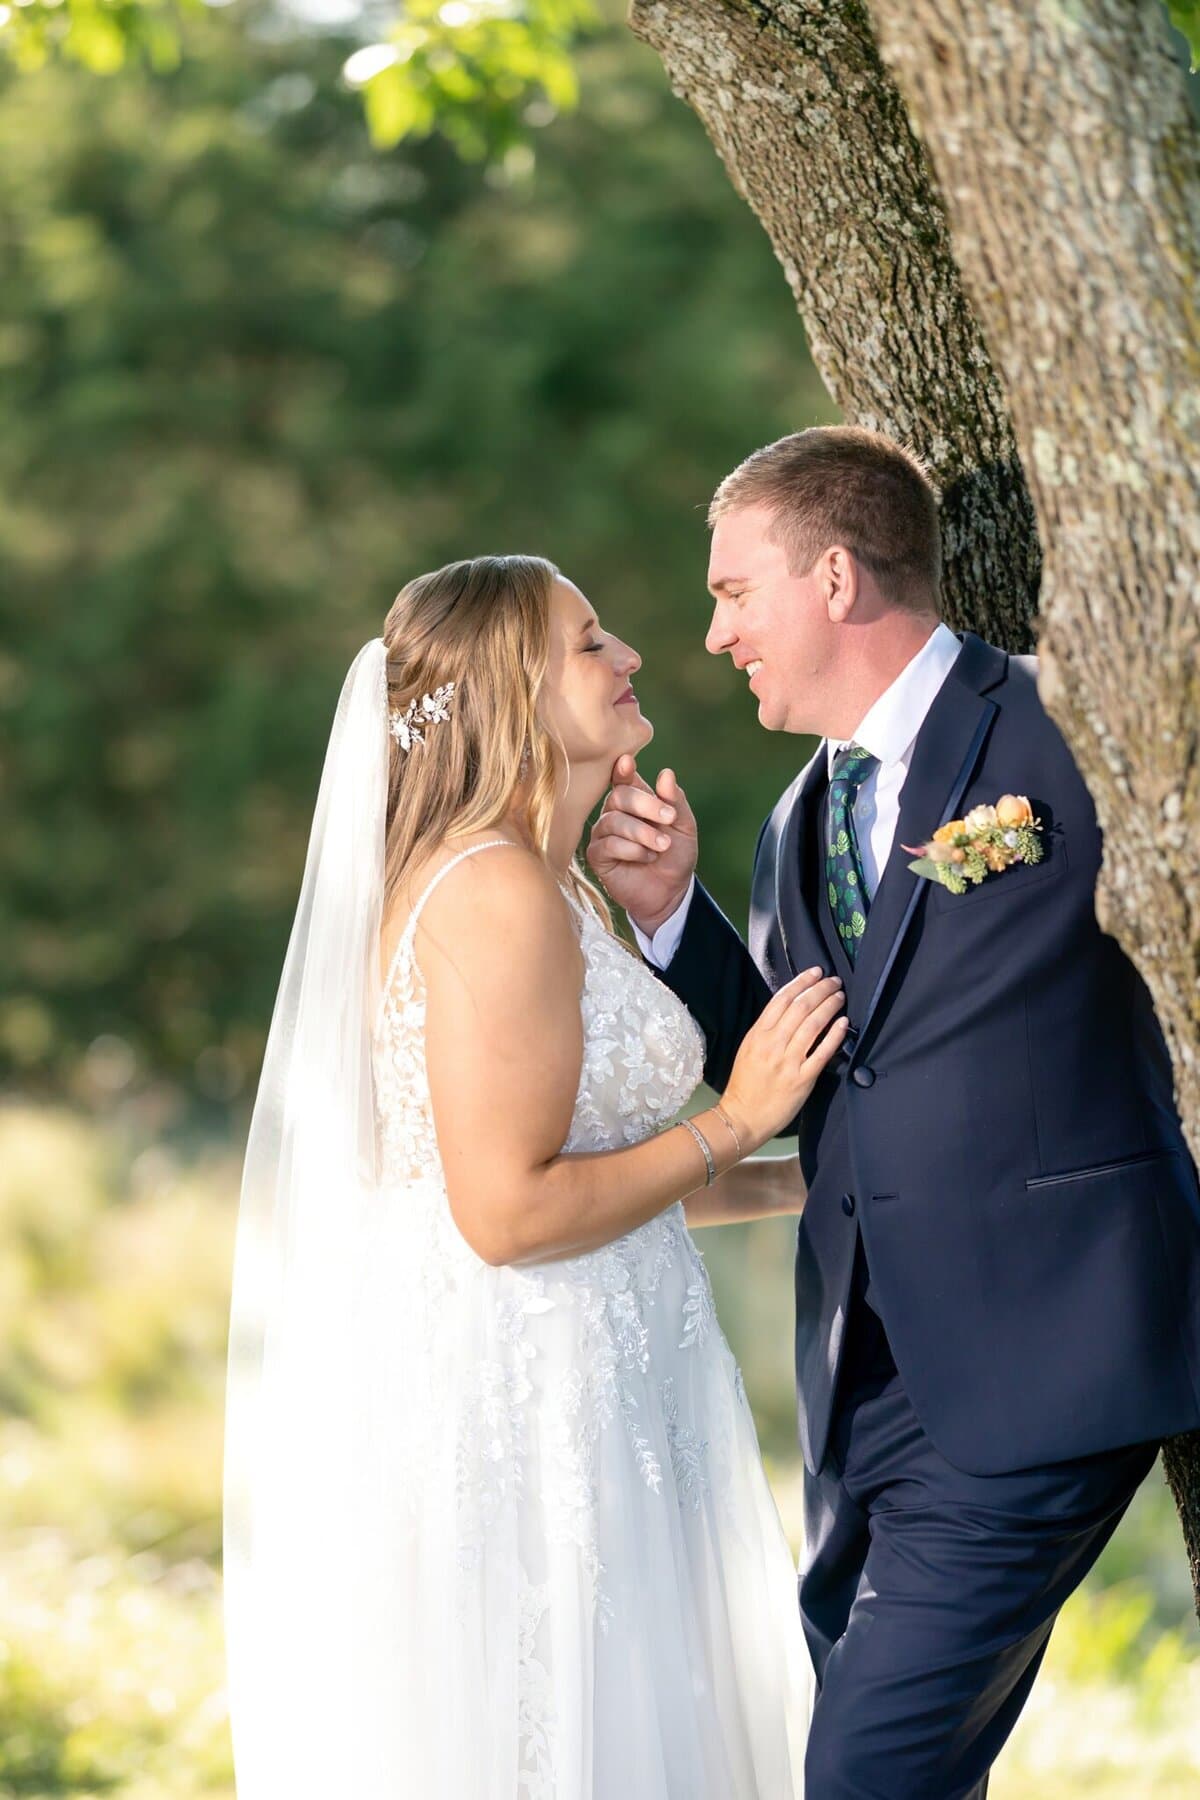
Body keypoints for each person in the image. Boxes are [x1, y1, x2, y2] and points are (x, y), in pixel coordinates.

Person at [589, 425, 1200, 1799]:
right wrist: (674, 918)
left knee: (867, 1770)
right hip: (864, 1382)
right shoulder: (798, 816)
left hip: (1052, 1352)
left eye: (733, 591)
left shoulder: (1064, 726)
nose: (712, 632)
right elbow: (803, 1069)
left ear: (835, 579)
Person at [223, 553, 850, 1799]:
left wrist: (800, 1174)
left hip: (601, 1352)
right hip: (532, 1383)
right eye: (589, 642)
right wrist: (735, 1120)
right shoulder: (496, 890)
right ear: (513, 691)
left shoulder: (552, 883)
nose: (627, 659)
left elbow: (602, 1172)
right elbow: (508, 1214)